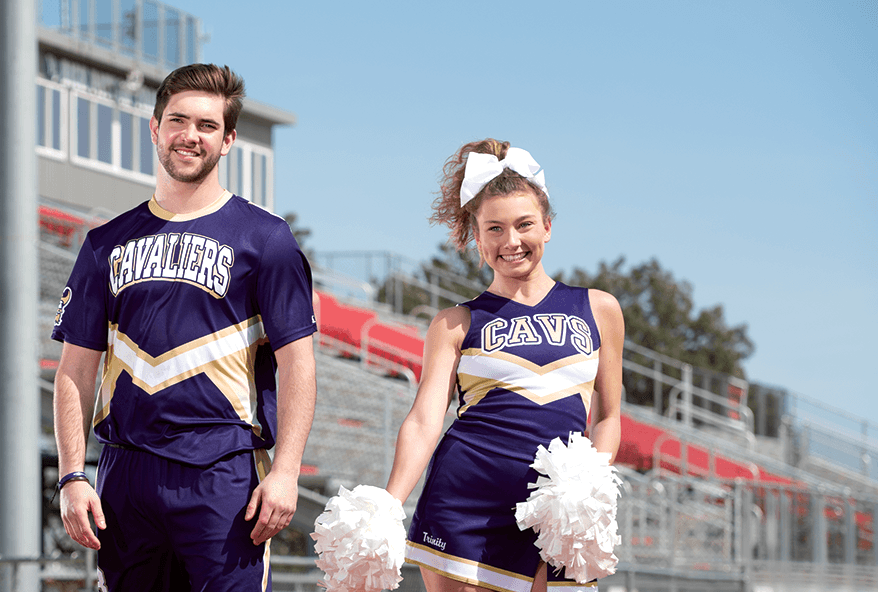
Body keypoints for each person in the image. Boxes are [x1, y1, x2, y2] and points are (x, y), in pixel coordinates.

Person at [51, 63, 318, 591]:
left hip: (223, 472)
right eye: (178, 120)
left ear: (228, 140)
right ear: (155, 128)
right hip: (126, 474)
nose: (189, 135)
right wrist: (71, 474)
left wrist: (286, 471)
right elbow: (74, 370)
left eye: (207, 125)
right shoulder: (104, 243)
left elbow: (299, 365)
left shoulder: (266, 239)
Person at [384, 139, 624, 592]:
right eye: (494, 229)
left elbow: (608, 417)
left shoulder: (599, 309)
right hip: (465, 507)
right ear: (477, 239)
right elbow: (423, 421)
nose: (510, 241)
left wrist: (588, 483)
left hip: (559, 511)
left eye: (524, 224)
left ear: (547, 227)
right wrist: (388, 505)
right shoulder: (455, 323)